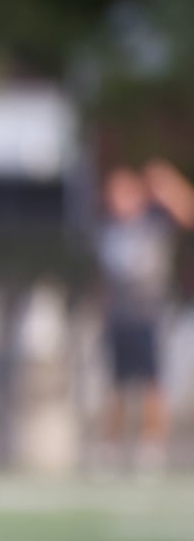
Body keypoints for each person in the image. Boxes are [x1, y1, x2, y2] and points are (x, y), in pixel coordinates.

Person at [94, 160, 194, 474]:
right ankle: (112, 446)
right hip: (119, 315)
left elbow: (187, 212)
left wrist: (166, 183)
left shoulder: (155, 221)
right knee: (117, 384)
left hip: (149, 314)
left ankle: (151, 448)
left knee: (153, 382)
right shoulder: (107, 227)